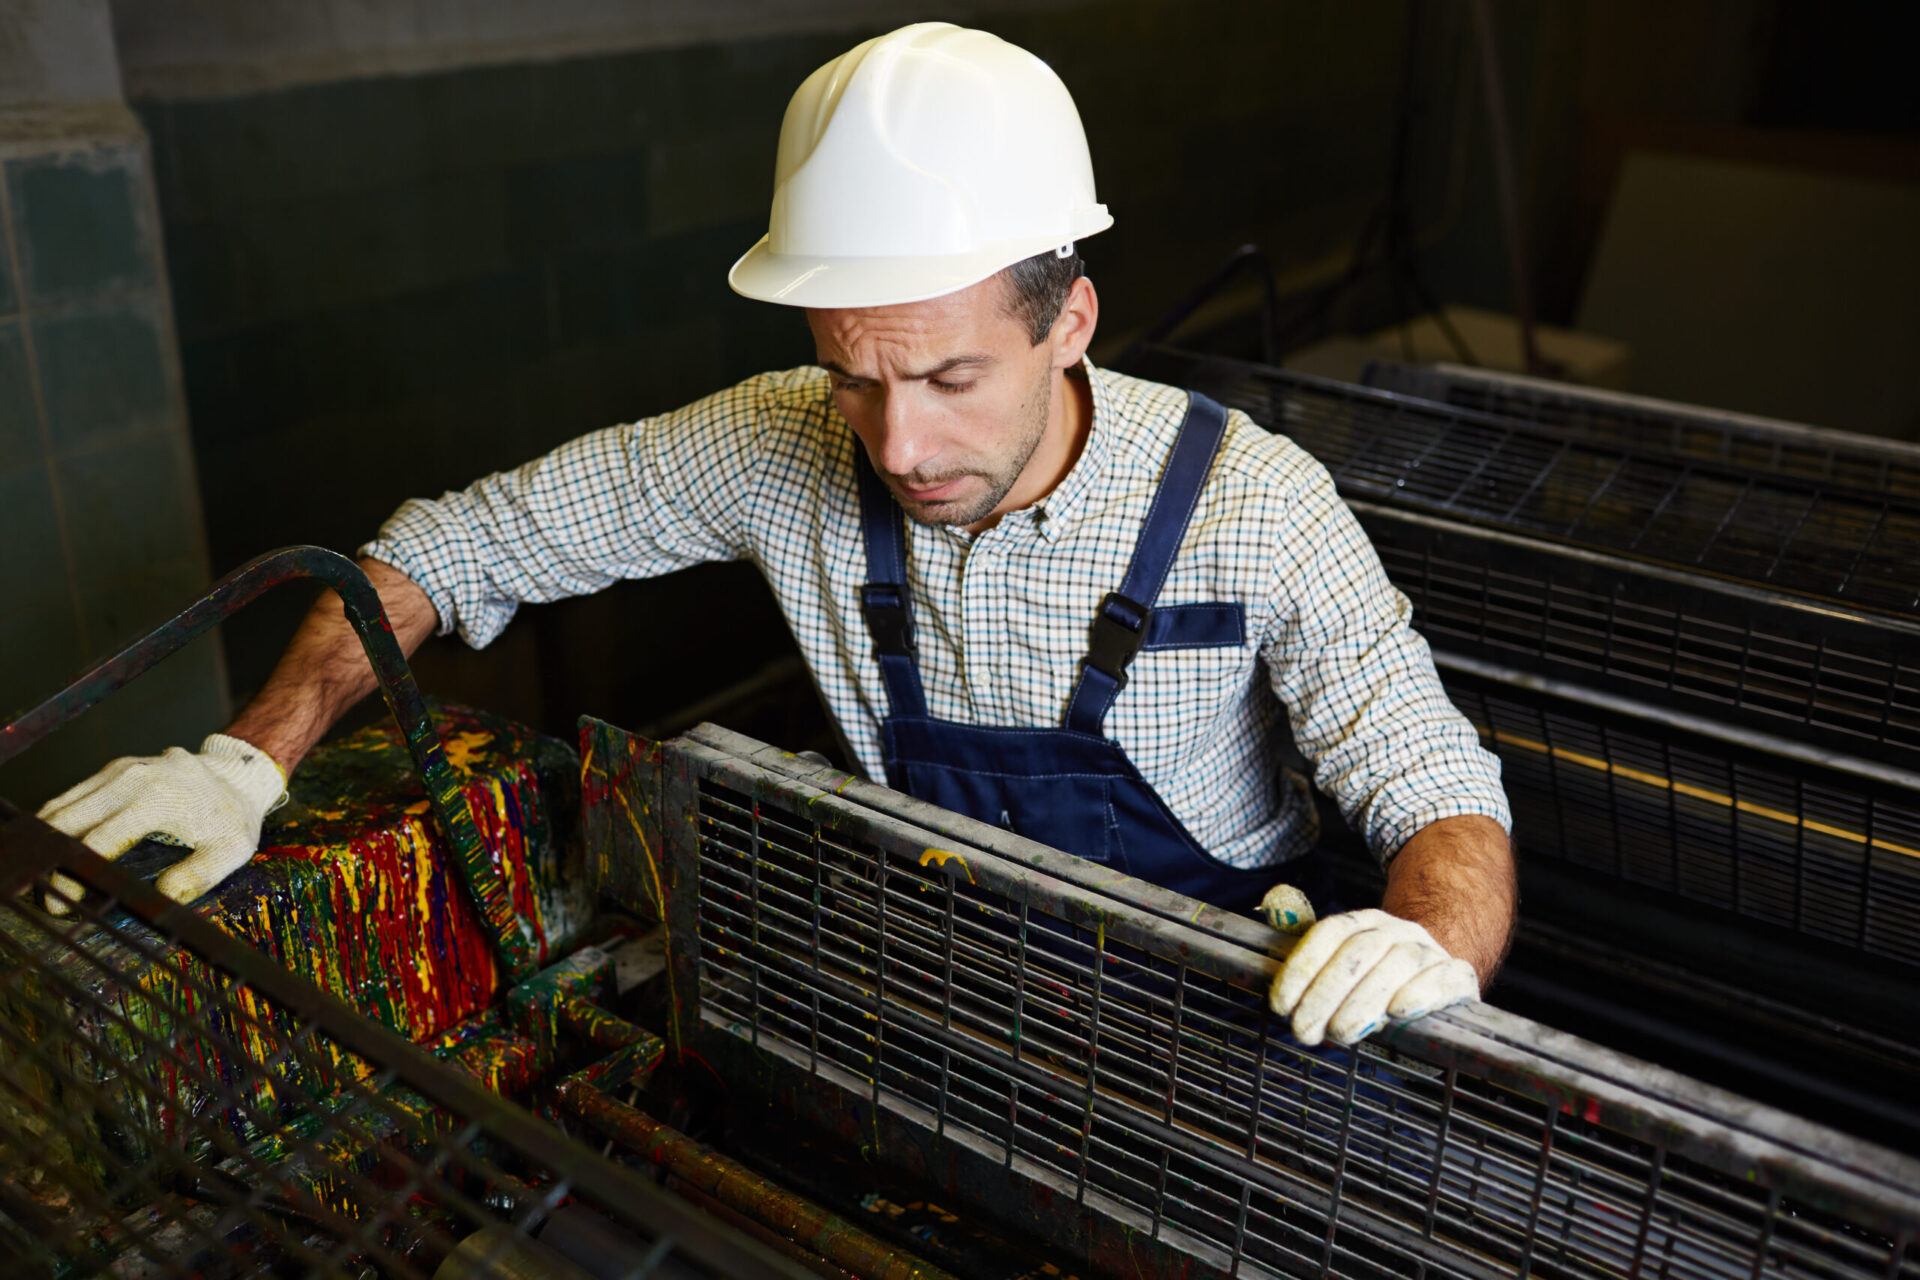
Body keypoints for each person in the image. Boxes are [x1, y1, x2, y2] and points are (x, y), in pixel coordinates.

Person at [35, 23, 1513, 1048]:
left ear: (1069, 321)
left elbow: (1433, 782)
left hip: (1215, 989)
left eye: (948, 377)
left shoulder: (1251, 504)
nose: (901, 445)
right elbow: (460, 545)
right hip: (942, 961)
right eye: (855, 377)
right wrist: (252, 756)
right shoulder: (774, 439)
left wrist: (1428, 944)